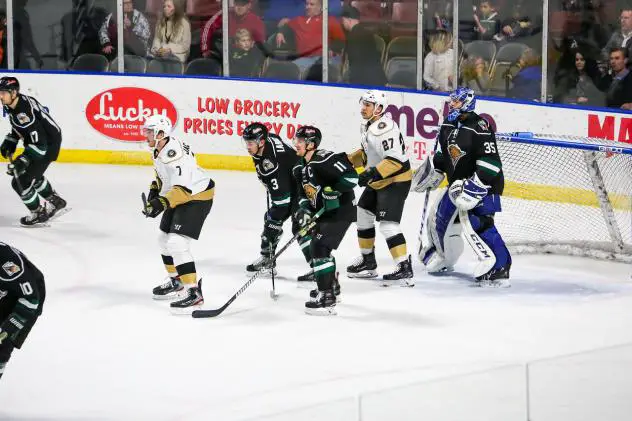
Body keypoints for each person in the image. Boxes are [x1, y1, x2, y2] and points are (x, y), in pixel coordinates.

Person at [412, 87, 511, 287]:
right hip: (456, 185)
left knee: (479, 224)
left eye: (456, 102)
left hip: (484, 185)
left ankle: (500, 267)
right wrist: (435, 171)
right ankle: (444, 258)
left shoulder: (480, 126)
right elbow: (443, 154)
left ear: (467, 103)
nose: (452, 105)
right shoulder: (448, 123)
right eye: (451, 102)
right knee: (439, 219)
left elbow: (491, 163)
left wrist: (476, 185)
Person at [141, 114, 215, 314]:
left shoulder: (175, 154)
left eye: (149, 131)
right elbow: (162, 176)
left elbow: (183, 189)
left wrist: (161, 203)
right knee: (163, 239)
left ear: (161, 133)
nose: (145, 135)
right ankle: (177, 281)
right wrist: (155, 191)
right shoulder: (159, 148)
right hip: (179, 194)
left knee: (177, 243)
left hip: (196, 196)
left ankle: (194, 292)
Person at [346, 90, 414, 286]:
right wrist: (348, 161)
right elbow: (368, 152)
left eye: (368, 105)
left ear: (379, 109)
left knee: (388, 225)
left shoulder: (385, 128)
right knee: (363, 214)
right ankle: (368, 262)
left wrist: (369, 174)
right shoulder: (370, 125)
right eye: (363, 104)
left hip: (395, 181)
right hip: (378, 180)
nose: (363, 108)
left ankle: (404, 268)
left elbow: (396, 161)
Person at [293, 126, 358, 315]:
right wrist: (304, 210)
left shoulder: (325, 159)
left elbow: (352, 177)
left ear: (311, 144)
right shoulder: (300, 166)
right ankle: (332, 287)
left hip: (341, 211)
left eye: (300, 141)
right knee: (319, 246)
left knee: (319, 247)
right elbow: (302, 194)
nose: (296, 144)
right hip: (323, 213)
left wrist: (334, 191)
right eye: (296, 140)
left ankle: (326, 298)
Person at [241, 122, 313, 283]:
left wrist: (273, 225)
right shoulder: (270, 138)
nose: (247, 146)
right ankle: (267, 258)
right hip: (295, 175)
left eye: (251, 142)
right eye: (246, 142)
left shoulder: (270, 164)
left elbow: (282, 202)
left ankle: (319, 268)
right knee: (272, 219)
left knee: (295, 225)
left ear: (261, 142)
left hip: (301, 186)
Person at [0, 76, 67, 227]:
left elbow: (39, 144)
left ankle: (38, 212)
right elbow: (20, 127)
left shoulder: (23, 112)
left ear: (14, 92)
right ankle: (56, 201)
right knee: (34, 176)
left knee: (21, 181)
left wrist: (22, 161)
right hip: (47, 140)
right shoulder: (16, 103)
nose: (0, 96)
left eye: (4, 92)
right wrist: (11, 140)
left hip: (47, 145)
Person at [0, 241, 46, 381]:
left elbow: (31, 299)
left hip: (23, 299)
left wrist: (7, 331)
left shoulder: (8, 265)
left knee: (3, 344)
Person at [339, 5, 387, 86]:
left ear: (349, 20)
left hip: (364, 82)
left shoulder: (352, 36)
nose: (342, 23)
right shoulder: (367, 33)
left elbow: (355, 63)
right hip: (377, 79)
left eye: (343, 21)